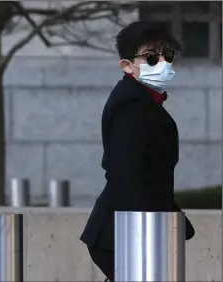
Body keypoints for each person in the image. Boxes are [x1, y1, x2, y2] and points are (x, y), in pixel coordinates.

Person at [79, 21, 195, 282]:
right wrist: (146, 236)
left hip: (136, 231)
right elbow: (125, 174)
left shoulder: (144, 102)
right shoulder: (132, 105)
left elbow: (150, 175)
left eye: (168, 55)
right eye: (151, 57)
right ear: (127, 65)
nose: (163, 63)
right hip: (125, 235)